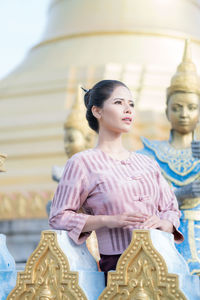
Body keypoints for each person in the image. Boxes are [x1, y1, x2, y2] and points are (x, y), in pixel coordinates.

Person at [49, 79, 183, 283]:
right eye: (119, 103)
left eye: (131, 104)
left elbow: (171, 208)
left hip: (165, 260)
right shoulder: (82, 163)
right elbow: (59, 216)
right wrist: (108, 221)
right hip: (119, 266)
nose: (128, 109)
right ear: (97, 111)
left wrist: (165, 223)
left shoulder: (148, 163)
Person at [138, 40, 200, 275]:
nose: (184, 114)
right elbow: (138, 201)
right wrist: (178, 195)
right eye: (177, 108)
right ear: (166, 111)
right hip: (165, 240)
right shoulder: (149, 155)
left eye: (192, 108)